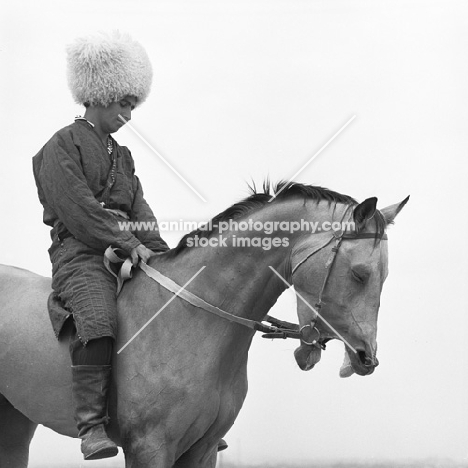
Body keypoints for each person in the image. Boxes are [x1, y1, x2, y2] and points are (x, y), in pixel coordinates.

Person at [32, 31, 169, 460]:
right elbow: (80, 212)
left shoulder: (124, 157)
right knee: (99, 316)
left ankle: (179, 410)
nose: (129, 114)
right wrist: (127, 241)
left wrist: (163, 255)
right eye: (123, 103)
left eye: (133, 105)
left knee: (171, 306)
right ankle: (92, 425)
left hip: (127, 250)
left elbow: (142, 212)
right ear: (100, 93)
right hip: (80, 254)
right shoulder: (60, 146)